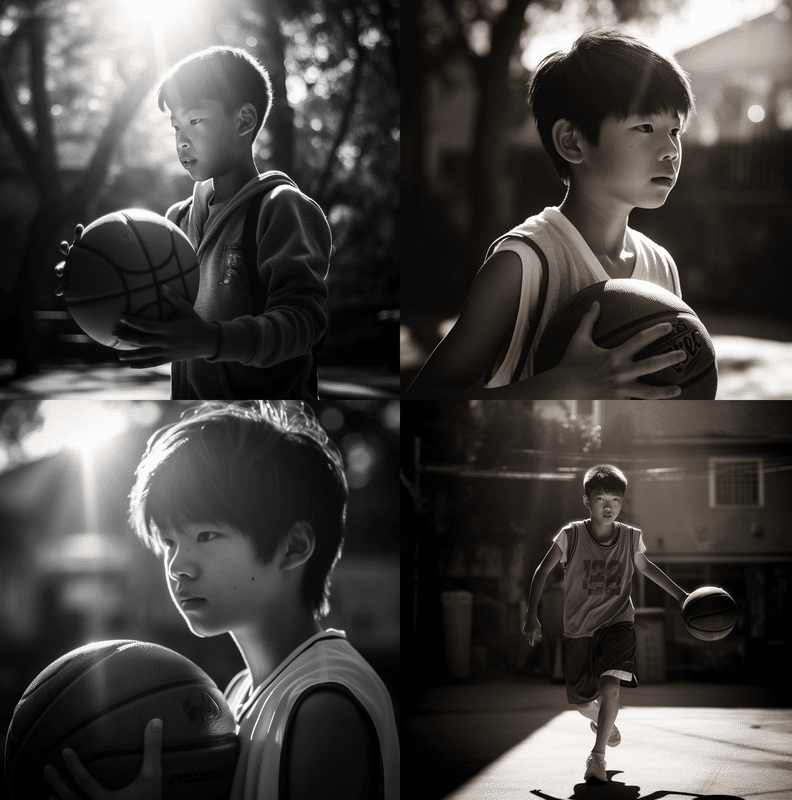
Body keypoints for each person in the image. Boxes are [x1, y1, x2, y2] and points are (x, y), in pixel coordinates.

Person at [44, 401, 400, 800]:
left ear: (293, 547)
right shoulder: (238, 693)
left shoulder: (322, 704)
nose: (178, 566)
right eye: (168, 542)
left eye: (206, 536)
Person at [407, 30, 696, 399]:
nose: (671, 149)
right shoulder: (522, 265)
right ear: (572, 142)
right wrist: (558, 388)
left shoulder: (662, 266)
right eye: (645, 127)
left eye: (675, 130)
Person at [58, 46, 331, 400]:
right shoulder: (176, 220)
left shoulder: (281, 208)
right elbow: (147, 312)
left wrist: (210, 340)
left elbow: (305, 322)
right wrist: (90, 276)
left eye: (195, 120)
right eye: (175, 126)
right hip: (192, 416)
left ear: (244, 121)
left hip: (267, 424)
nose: (181, 140)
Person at [522, 464, 688, 784]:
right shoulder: (570, 535)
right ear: (587, 501)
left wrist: (682, 596)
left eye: (616, 499)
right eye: (600, 498)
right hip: (579, 629)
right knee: (583, 702)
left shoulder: (629, 537)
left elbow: (647, 568)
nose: (609, 505)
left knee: (611, 685)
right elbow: (542, 571)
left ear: (622, 503)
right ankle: (603, 720)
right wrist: (531, 614)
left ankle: (597, 758)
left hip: (617, 623)